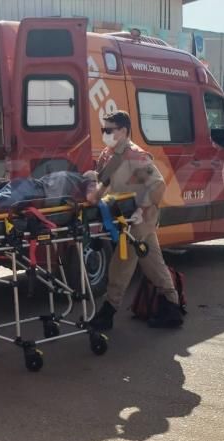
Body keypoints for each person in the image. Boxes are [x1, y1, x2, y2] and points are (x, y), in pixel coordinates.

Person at [88, 110, 183, 330]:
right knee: (153, 263)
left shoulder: (135, 156)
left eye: (109, 130)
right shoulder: (109, 154)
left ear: (123, 131)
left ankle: (108, 311)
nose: (105, 133)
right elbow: (103, 181)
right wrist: (92, 193)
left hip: (139, 218)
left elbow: (158, 185)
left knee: (121, 262)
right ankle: (171, 306)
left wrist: (141, 209)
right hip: (124, 217)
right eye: (103, 129)